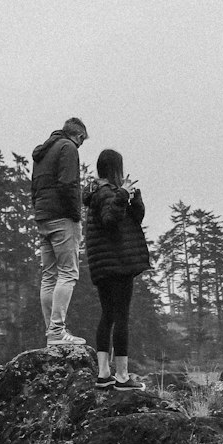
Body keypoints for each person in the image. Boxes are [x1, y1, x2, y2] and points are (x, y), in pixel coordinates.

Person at [83, 148, 150, 389]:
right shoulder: (105, 193)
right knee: (121, 317)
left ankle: (103, 374)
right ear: (115, 169)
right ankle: (122, 376)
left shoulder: (101, 193)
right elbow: (111, 219)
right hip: (117, 263)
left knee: (108, 315)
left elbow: (132, 220)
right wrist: (122, 193)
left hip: (104, 265)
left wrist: (135, 198)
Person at [30, 117, 89, 354]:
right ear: (79, 136)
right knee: (68, 273)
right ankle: (57, 331)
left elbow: (34, 187)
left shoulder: (43, 151)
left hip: (43, 217)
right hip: (63, 218)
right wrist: (76, 215)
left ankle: (51, 332)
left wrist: (39, 210)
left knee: (49, 276)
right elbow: (68, 185)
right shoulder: (69, 148)